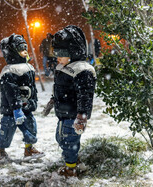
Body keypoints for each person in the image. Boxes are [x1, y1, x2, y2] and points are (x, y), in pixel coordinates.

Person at [51, 25, 96, 177]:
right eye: (55, 53)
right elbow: (60, 87)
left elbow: (85, 95)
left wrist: (82, 115)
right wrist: (53, 99)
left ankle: (71, 169)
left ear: (73, 52)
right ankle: (76, 162)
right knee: (61, 138)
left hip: (72, 115)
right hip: (63, 113)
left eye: (61, 53)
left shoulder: (81, 70)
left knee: (69, 141)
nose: (57, 57)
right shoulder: (64, 67)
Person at [0, 33, 43, 159]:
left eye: (25, 48)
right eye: (21, 49)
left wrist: (33, 102)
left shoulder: (28, 67)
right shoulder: (9, 71)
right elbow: (11, 92)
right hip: (12, 110)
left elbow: (32, 88)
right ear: (12, 52)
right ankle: (1, 151)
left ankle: (29, 149)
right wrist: (16, 108)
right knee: (7, 130)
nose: (25, 51)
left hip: (26, 107)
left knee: (31, 127)